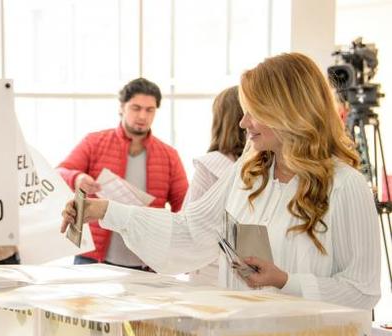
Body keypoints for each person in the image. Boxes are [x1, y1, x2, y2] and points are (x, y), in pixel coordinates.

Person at [61, 53, 381, 310]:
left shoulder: (345, 186)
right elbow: (191, 232)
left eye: (253, 112)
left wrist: (286, 282)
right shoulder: (247, 174)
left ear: (288, 112)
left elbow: (362, 291)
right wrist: (105, 211)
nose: (242, 123)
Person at [57, 77, 188, 271]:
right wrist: (77, 178)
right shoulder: (94, 142)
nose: (142, 116)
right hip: (93, 258)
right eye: (136, 108)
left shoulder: (169, 155)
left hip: (146, 263)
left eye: (150, 110)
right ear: (122, 107)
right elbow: (60, 172)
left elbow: (184, 206)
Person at [183, 86, 246, 283]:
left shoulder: (210, 165)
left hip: (209, 271)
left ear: (221, 120)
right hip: (252, 270)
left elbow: (189, 224)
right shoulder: (266, 165)